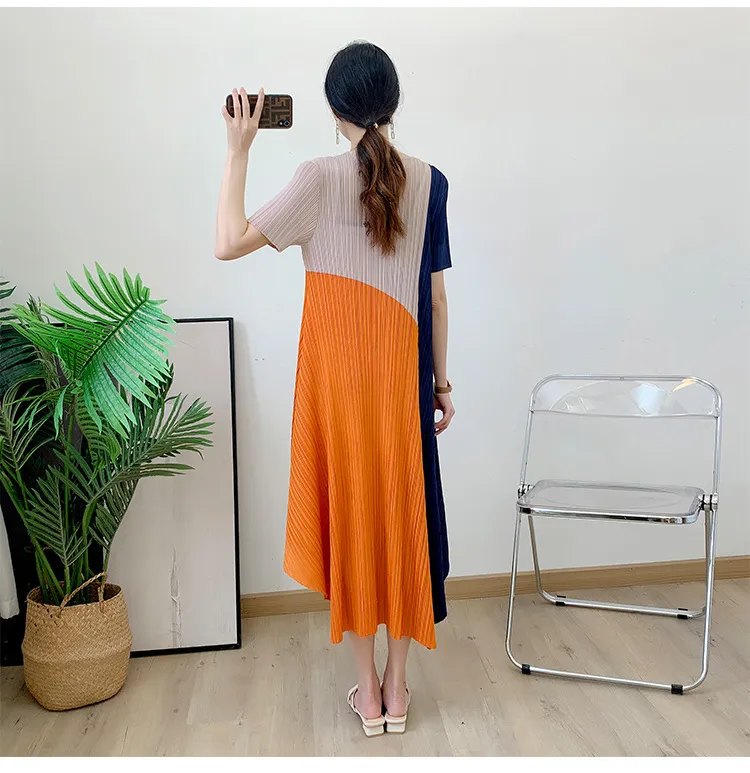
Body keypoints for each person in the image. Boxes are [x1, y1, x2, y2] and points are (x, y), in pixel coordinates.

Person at [215, 41, 454, 736]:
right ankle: (399, 690)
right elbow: (437, 300)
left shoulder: (316, 179)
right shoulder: (431, 181)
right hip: (403, 385)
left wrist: (238, 150)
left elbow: (227, 241)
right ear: (393, 102)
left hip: (339, 390)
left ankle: (367, 693)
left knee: (354, 524)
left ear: (332, 109)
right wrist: (440, 384)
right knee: (401, 522)